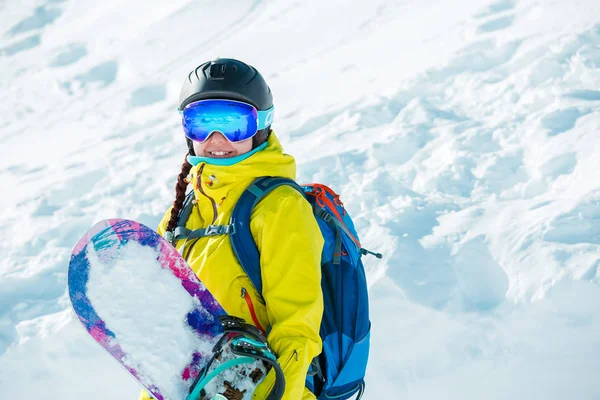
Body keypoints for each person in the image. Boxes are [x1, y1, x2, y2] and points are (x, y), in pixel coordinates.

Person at [138, 58, 324, 400]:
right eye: (201, 123)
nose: (216, 138)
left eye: (234, 124)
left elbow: (297, 329)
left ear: (262, 126)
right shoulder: (181, 214)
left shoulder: (279, 207)